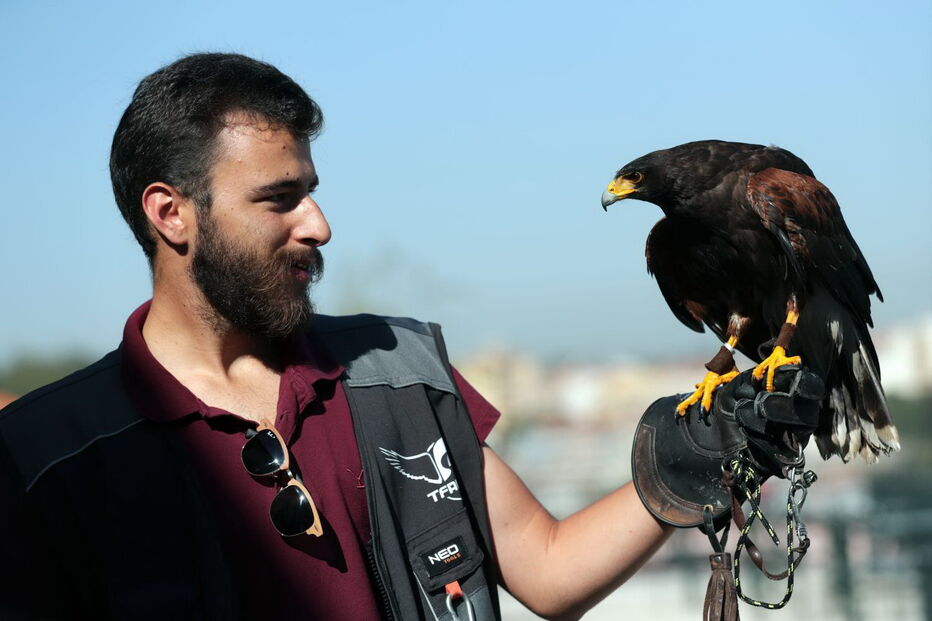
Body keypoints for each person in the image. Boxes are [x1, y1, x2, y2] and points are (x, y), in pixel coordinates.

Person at [1, 53, 788, 621]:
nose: (319, 224)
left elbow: (546, 569)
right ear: (171, 213)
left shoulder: (398, 369)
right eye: (279, 199)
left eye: (311, 192)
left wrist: (696, 466)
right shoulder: (49, 455)